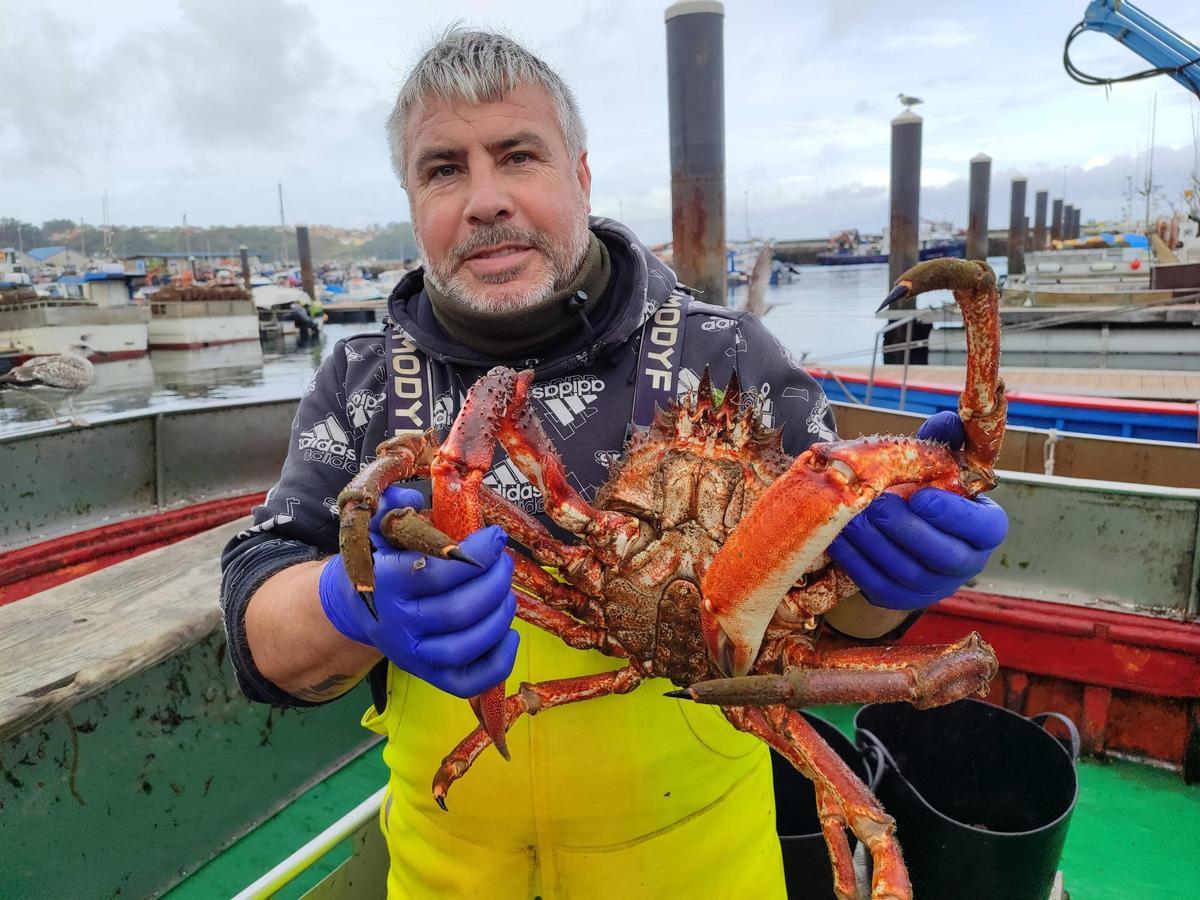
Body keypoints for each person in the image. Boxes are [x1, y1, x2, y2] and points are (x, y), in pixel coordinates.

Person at [220, 28, 1008, 899]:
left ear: (581, 176)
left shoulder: (732, 356)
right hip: (446, 876)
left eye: (518, 155)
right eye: (444, 169)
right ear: (412, 202)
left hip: (705, 873)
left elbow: (842, 625)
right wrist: (352, 600)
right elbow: (262, 619)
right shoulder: (368, 385)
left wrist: (893, 582)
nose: (486, 200)